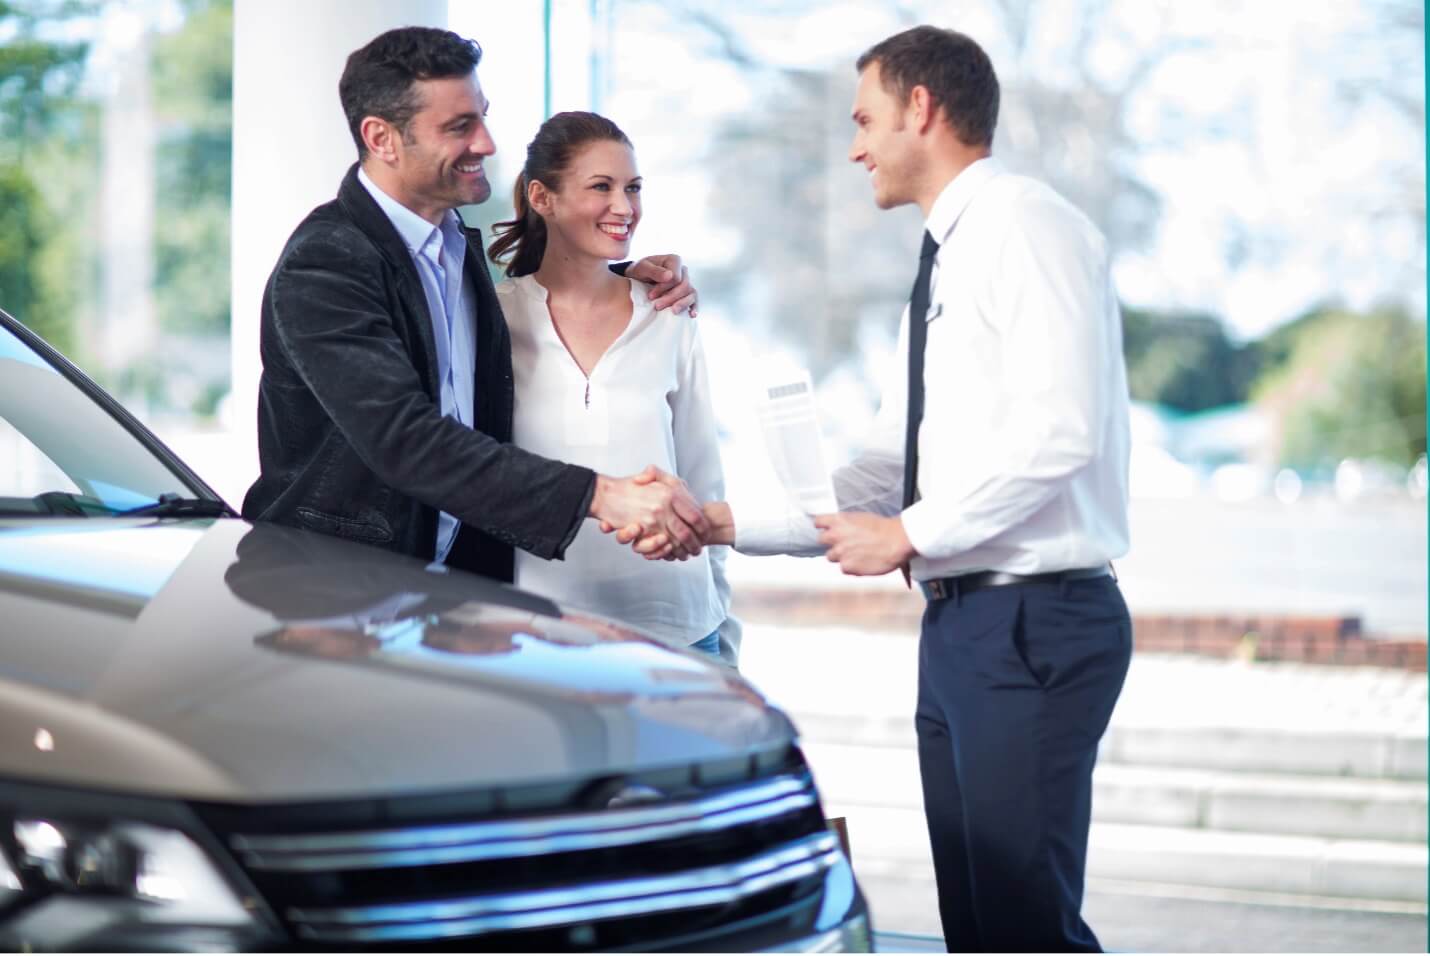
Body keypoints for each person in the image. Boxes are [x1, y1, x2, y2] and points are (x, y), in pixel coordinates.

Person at [695, 26, 1133, 953]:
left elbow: (1063, 429)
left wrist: (909, 535)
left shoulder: (1028, 225)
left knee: (1025, 927)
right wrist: (723, 520)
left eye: (865, 120)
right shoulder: (944, 259)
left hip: (1033, 620)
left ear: (922, 108)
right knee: (975, 925)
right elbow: (887, 469)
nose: (856, 147)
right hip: (965, 624)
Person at [240, 26, 710, 585]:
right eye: (460, 126)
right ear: (382, 138)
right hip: (333, 596)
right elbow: (405, 439)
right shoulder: (326, 261)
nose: (487, 143)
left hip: (443, 595)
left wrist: (617, 280)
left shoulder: (456, 246)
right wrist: (601, 495)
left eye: (482, 117)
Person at [487, 111, 736, 664]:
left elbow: (702, 477)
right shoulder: (492, 321)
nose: (624, 208)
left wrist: (723, 624)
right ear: (542, 197)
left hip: (678, 630)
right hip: (538, 630)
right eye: (601, 187)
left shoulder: (669, 314)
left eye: (633, 188)